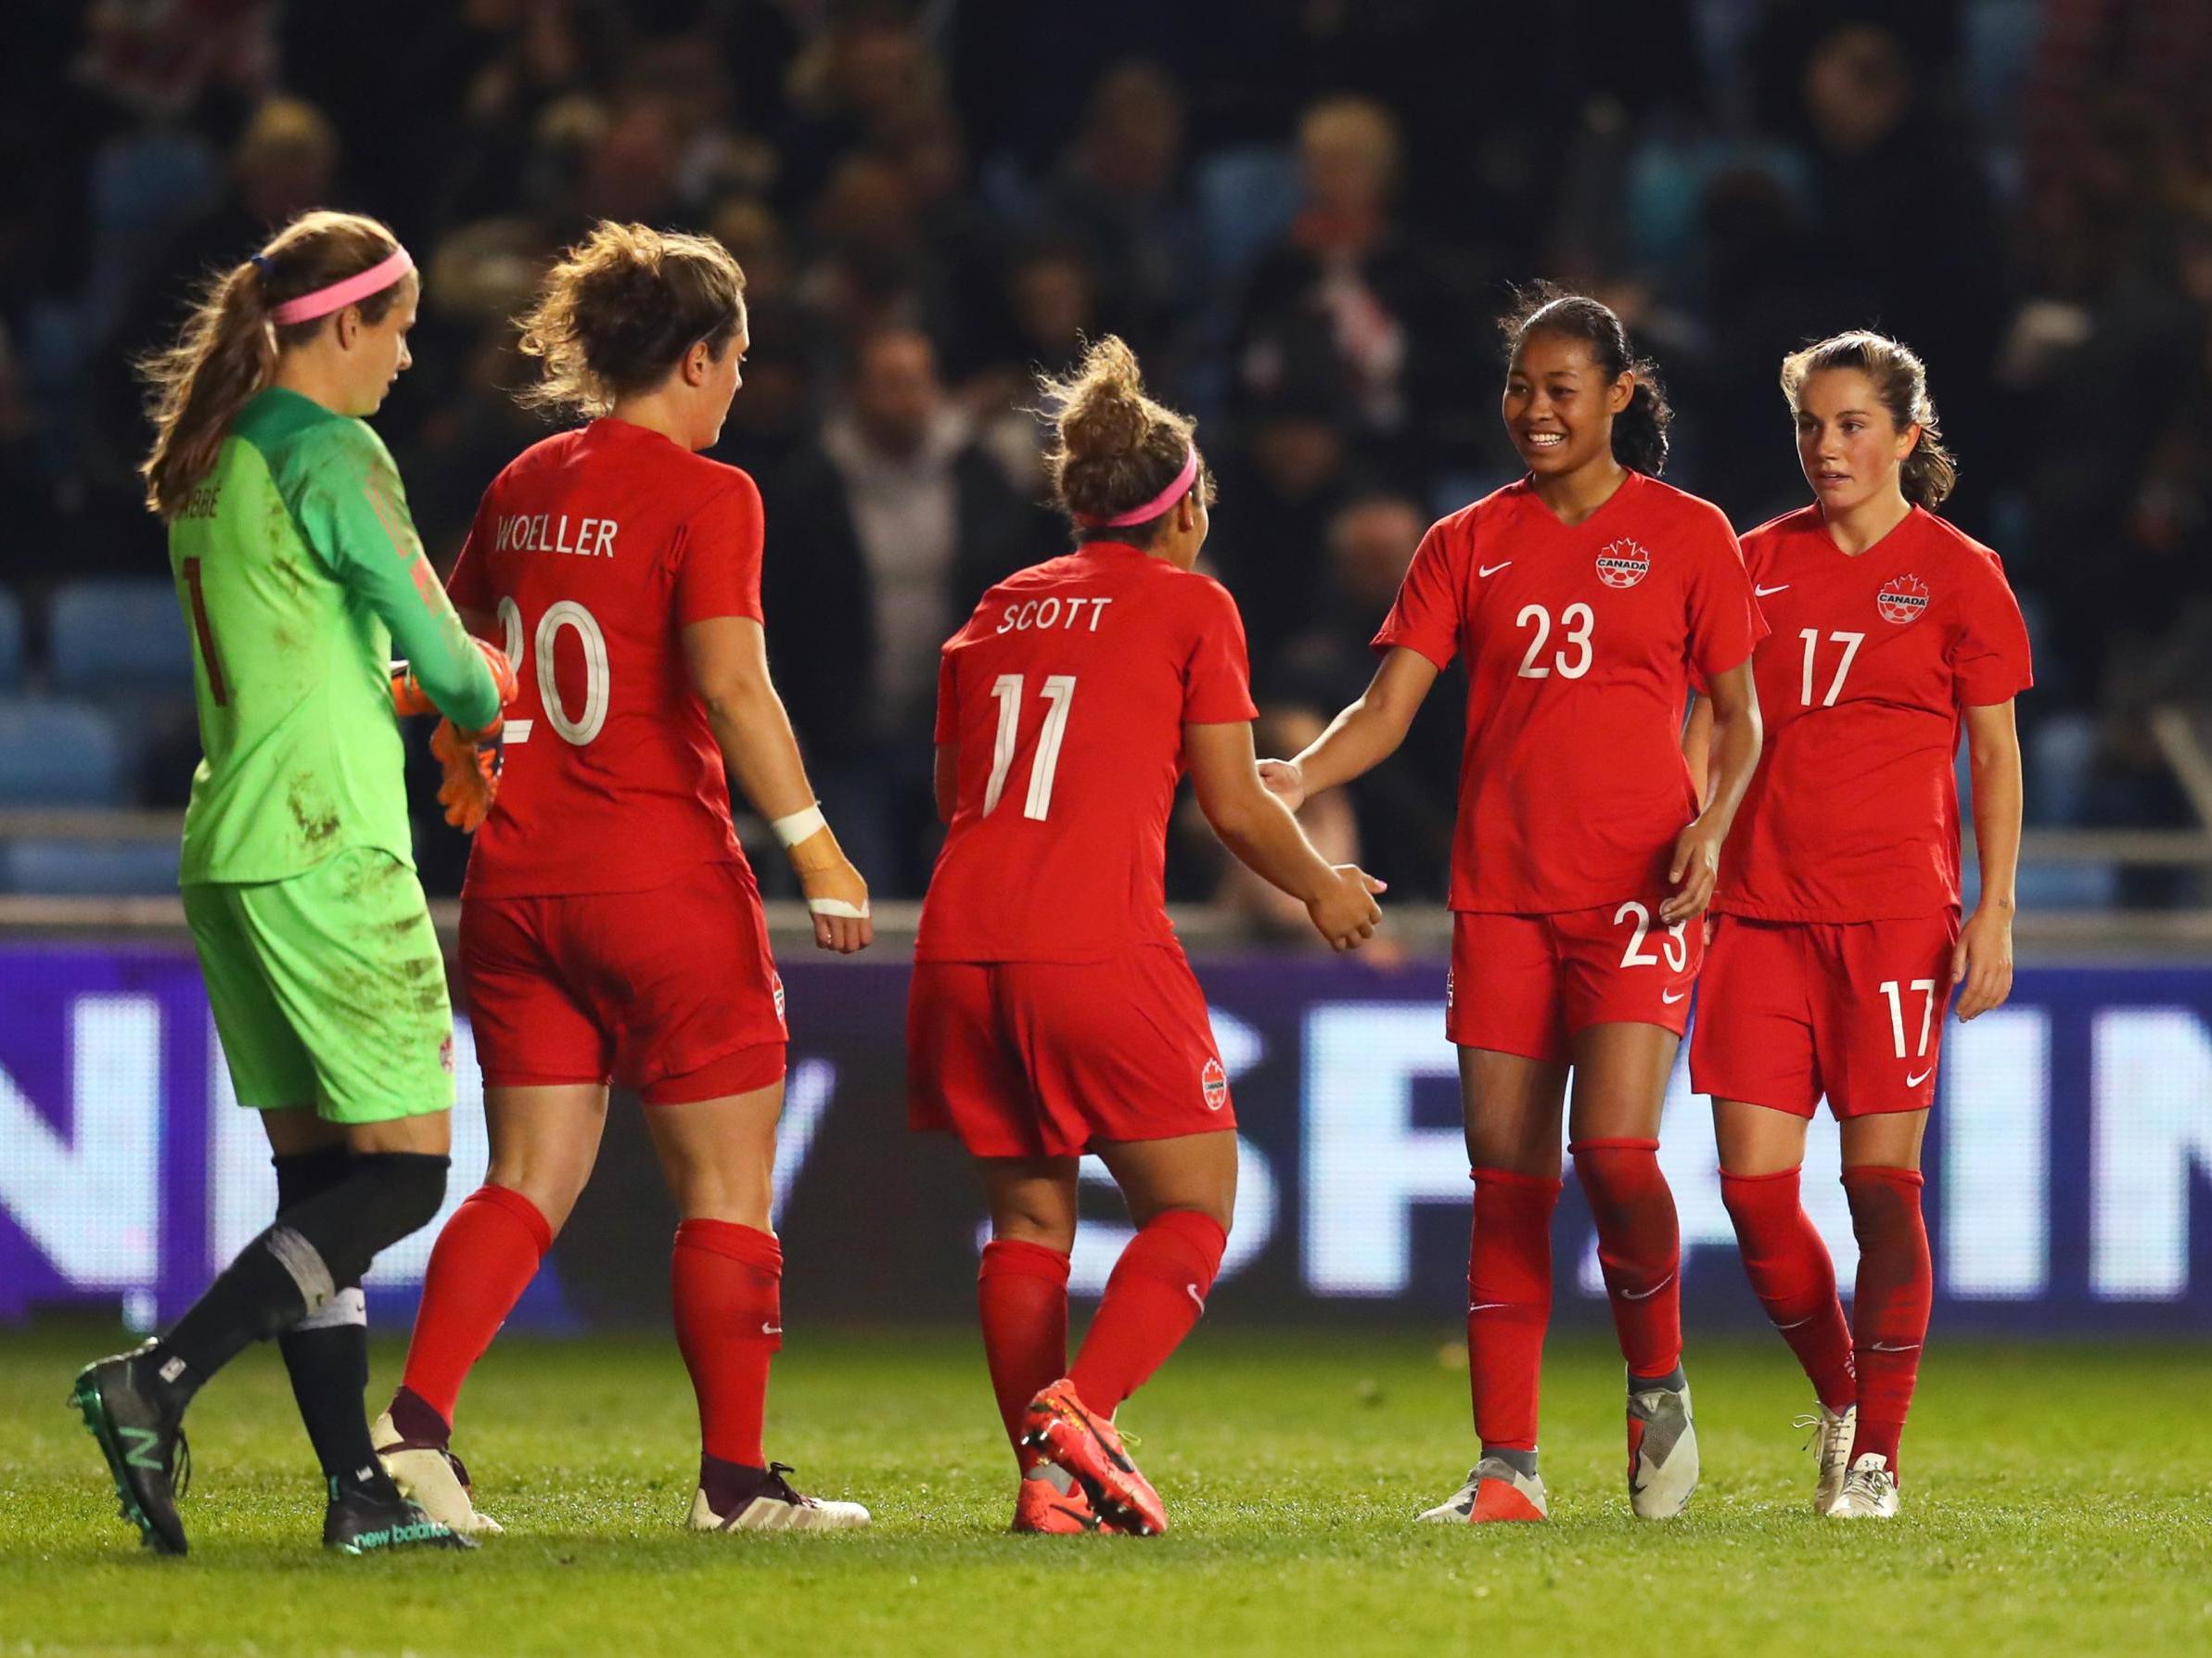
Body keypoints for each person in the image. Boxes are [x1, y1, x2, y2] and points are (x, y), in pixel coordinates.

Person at [370, 222, 873, 1537]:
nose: (742, 386)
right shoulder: (715, 497)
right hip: (660, 885)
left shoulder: (525, 478)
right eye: (738, 360)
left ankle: (411, 1434)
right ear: (697, 357)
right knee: (725, 1191)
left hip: (519, 886)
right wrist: (814, 841)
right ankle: (733, 1486)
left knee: (525, 1177)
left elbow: (450, 652)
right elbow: (730, 680)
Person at [1261, 289, 1765, 1524]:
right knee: (1506, 1177)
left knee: (1618, 1154)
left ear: (1618, 397)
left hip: (1638, 893)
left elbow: (1744, 717)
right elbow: (1388, 710)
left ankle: (1655, 1379)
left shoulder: (1692, 535)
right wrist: (1295, 776)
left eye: (1560, 391)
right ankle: (1507, 1468)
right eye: (1520, 389)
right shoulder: (1464, 541)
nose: (1535, 412)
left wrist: (1709, 825)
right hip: (1502, 897)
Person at [73, 210, 514, 1557]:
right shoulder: (331, 446)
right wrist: (479, 695)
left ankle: (355, 1492)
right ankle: (161, 1379)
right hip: (328, 841)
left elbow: (292, 640)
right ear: (341, 326)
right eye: (398, 329)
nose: (405, 356)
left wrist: (379, 679)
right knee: (408, 1177)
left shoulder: (214, 454)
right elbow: (451, 664)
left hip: (234, 843)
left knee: (319, 1183)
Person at [908, 336, 1384, 1536]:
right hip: (1090, 939)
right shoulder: (1191, 604)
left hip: (962, 940)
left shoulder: (996, 606)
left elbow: (952, 786)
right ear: (1182, 513)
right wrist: (1323, 883)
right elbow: (1231, 801)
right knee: (1194, 1203)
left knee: (1026, 1223)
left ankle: (1046, 1485)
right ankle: (1086, 1411)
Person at [1687, 331, 2030, 1520]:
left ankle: (1875, 1455)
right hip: (1761, 916)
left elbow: (1994, 752)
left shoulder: (1962, 573)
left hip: (1892, 919)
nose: (1827, 448)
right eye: (1811, 427)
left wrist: (1992, 910)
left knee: (1884, 1190)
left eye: (1851, 425)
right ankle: (1845, 1393)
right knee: (1749, 1192)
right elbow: (1711, 726)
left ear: (1906, 435)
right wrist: (1693, 837)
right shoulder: (1747, 563)